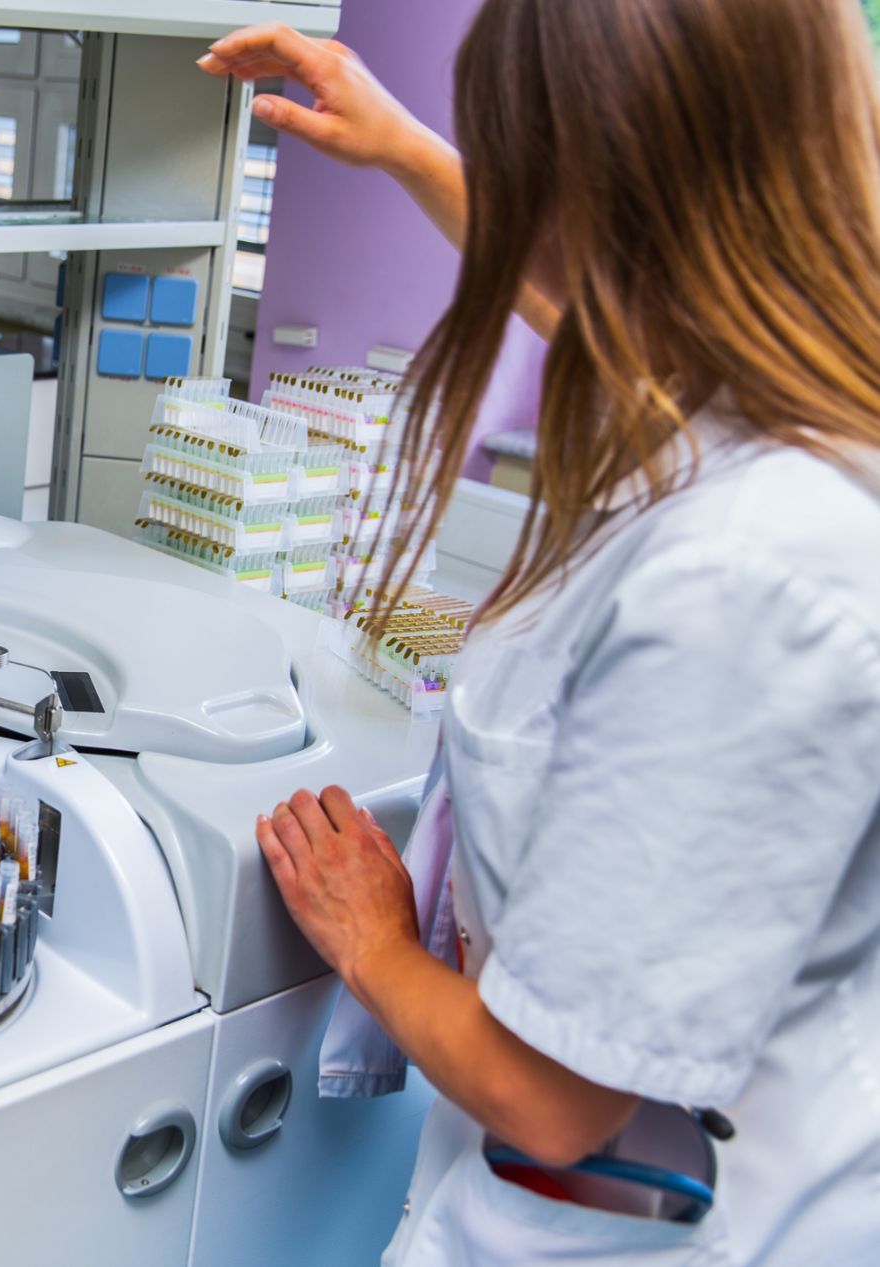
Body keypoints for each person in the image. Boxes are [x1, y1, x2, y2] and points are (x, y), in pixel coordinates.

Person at [200, 3, 880, 1264]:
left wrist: (372, 935)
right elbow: (604, 309)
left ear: (597, 174)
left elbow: (551, 1098)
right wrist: (402, 146)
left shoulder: (743, 580)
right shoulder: (803, 389)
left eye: (515, 161)